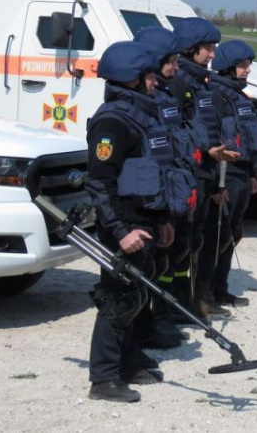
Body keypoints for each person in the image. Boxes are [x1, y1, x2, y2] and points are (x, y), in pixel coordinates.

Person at [85, 41, 183, 402]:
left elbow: (154, 173)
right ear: (131, 80)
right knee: (117, 300)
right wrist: (121, 232)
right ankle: (104, 378)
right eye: (147, 76)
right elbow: (99, 183)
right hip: (122, 227)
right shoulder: (111, 122)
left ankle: (128, 363)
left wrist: (164, 221)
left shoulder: (142, 116)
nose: (154, 82)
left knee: (137, 295)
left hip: (146, 222)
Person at [133, 26, 201, 346]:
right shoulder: (143, 101)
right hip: (152, 193)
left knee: (170, 254)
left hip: (172, 186)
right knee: (152, 261)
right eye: (171, 61)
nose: (176, 67)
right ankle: (150, 320)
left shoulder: (165, 95)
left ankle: (160, 313)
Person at [169, 17, 240, 319]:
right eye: (208, 49)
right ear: (191, 49)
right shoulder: (180, 83)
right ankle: (172, 306)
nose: (212, 55)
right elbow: (176, 132)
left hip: (208, 172)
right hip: (190, 173)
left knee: (197, 239)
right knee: (182, 243)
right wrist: (202, 151)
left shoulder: (200, 84)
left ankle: (194, 300)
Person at [205, 40, 257, 307]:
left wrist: (252, 173)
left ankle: (221, 289)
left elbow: (246, 137)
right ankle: (206, 294)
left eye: (248, 65)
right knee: (216, 236)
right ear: (228, 68)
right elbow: (211, 141)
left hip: (241, 173)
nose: (248, 70)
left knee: (232, 233)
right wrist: (214, 185)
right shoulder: (215, 97)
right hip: (224, 174)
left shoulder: (240, 97)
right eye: (243, 66)